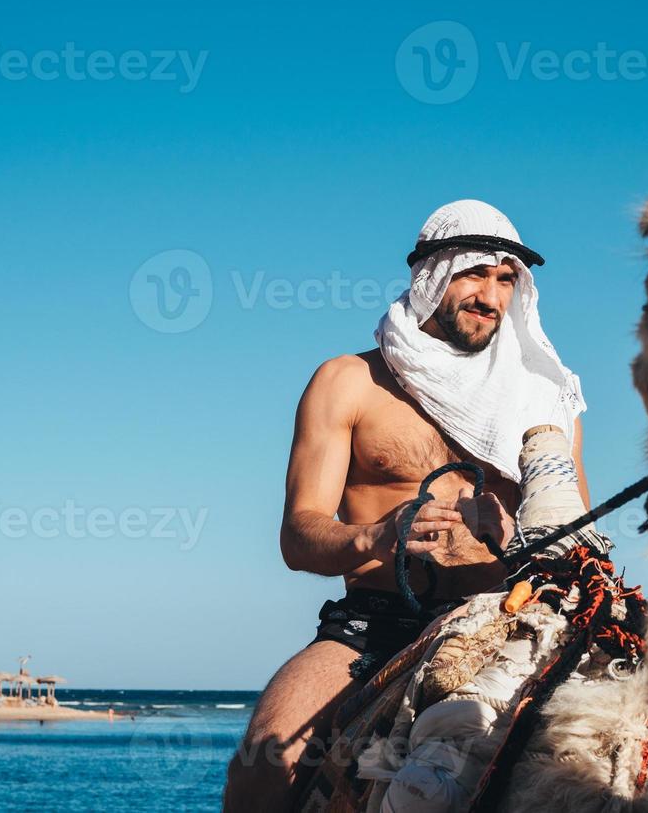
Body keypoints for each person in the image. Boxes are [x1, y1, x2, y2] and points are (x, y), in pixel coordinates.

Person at [222, 199, 588, 812]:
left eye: (506, 280)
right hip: (375, 624)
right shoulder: (348, 382)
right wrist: (374, 538)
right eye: (474, 274)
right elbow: (298, 536)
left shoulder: (548, 400)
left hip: (509, 621)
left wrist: (516, 537)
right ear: (431, 276)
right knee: (268, 760)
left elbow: (576, 540)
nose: (489, 296)